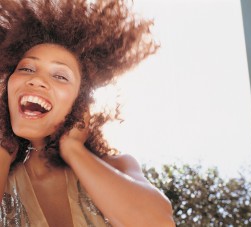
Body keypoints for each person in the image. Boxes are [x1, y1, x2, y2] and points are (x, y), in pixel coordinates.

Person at [0, 0, 175, 226]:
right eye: (26, 68)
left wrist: (73, 149)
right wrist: (4, 148)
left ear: (80, 103)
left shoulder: (116, 165)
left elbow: (158, 222)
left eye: (60, 76)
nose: (36, 80)